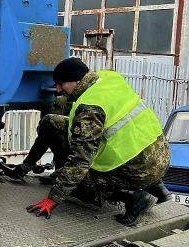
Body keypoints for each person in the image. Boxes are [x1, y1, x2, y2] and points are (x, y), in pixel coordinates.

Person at [26, 57, 171, 225]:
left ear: (77, 80)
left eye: (61, 84)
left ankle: (134, 197)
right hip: (159, 157)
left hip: (136, 169)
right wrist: (26, 165)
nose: (58, 90)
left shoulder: (89, 108)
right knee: (53, 123)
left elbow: (80, 161)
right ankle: (156, 186)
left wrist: (54, 197)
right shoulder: (109, 79)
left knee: (76, 184)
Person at [8, 95, 72, 183]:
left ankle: (63, 173)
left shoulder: (61, 101)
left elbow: (47, 135)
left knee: (49, 124)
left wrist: (27, 164)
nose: (57, 89)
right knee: (48, 126)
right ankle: (62, 172)